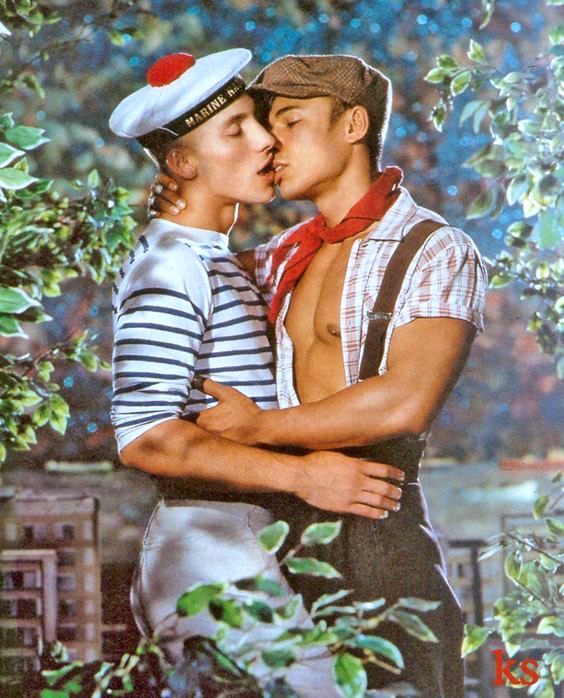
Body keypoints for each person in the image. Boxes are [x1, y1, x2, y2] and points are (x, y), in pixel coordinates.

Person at [152, 53, 488, 696]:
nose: (271, 143)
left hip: (376, 519)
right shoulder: (283, 255)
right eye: (264, 127)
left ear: (353, 124)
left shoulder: (435, 247)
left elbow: (406, 402)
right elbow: (184, 284)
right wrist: (189, 196)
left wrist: (258, 429)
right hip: (285, 523)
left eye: (291, 121)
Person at [108, 48, 405, 696]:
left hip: (237, 537)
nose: (267, 141)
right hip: (206, 548)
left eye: (261, 122)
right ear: (183, 164)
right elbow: (145, 436)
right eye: (235, 130)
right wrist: (304, 475)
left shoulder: (214, 260)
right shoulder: (171, 266)